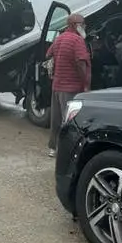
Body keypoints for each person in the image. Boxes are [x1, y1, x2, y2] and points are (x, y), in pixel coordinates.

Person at [45, 13, 91, 157]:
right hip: (71, 88)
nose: (85, 26)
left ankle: (53, 148)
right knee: (70, 122)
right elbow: (81, 63)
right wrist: (86, 85)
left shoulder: (59, 38)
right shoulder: (77, 40)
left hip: (57, 86)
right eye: (83, 23)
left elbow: (48, 54)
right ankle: (67, 152)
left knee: (56, 119)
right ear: (76, 25)